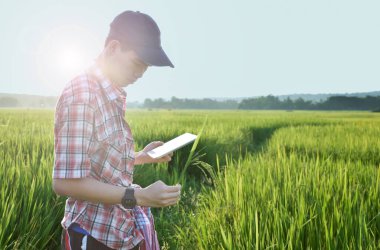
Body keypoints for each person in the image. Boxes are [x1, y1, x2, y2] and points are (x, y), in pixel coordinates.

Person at [52, 10, 181, 250]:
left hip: (119, 232)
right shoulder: (83, 94)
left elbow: (99, 162)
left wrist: (141, 156)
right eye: (137, 63)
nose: (141, 73)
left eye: (146, 67)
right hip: (91, 236)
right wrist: (139, 197)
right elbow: (65, 182)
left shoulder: (109, 93)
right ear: (113, 48)